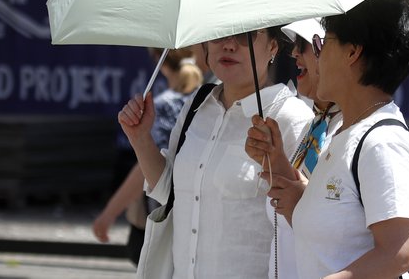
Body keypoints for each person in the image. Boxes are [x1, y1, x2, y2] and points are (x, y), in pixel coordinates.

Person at [118, 27, 314, 278]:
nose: (229, 45)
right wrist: (140, 138)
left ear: (273, 47)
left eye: (246, 34)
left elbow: (311, 219)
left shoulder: (292, 118)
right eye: (220, 33)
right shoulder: (197, 105)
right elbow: (170, 191)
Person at [291, 0, 409, 279]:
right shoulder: (348, 133)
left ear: (352, 53)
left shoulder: (383, 143)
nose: (316, 55)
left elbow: (397, 254)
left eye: (322, 43)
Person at [246, 18, 344, 279]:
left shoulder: (352, 132)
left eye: (304, 44)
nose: (294, 53)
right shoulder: (315, 125)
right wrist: (275, 158)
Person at [92, 47, 204, 265]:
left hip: (162, 217)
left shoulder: (163, 106)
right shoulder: (211, 101)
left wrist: (109, 214)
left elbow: (149, 169)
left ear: (161, 63)